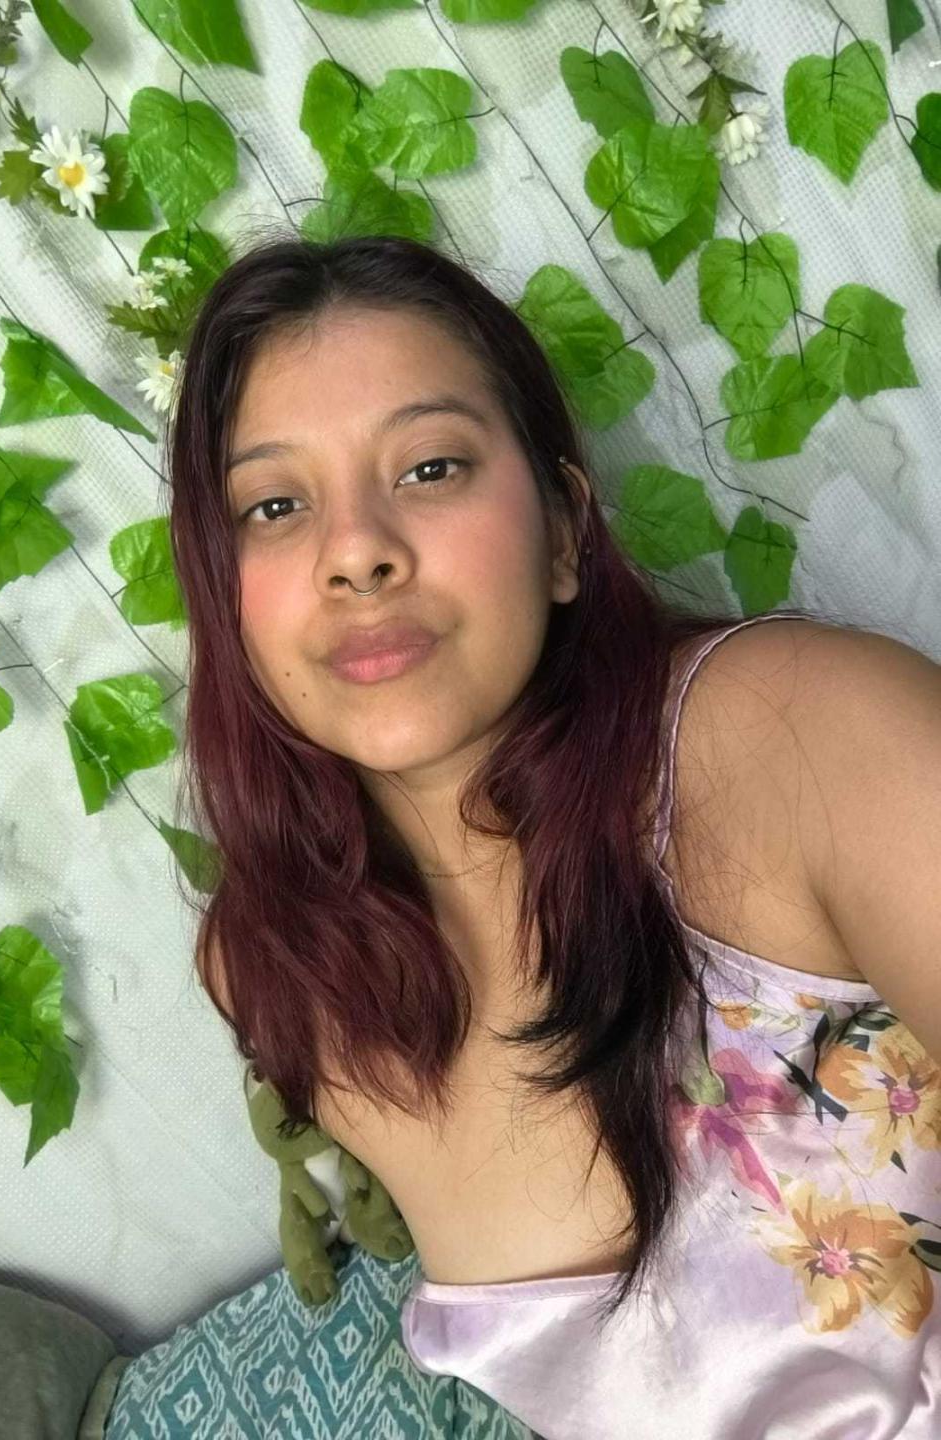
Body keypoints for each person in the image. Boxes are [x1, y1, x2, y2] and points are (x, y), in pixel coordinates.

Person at [150, 229, 941, 1439]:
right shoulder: (281, 976)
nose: (356, 551)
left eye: (430, 468)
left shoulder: (798, 732)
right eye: (276, 505)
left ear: (565, 528)